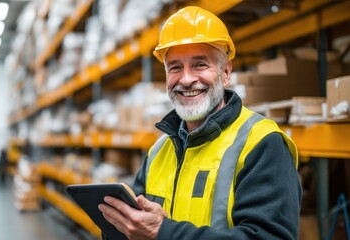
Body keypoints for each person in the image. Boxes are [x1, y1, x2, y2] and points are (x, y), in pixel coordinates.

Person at [98, 6, 302, 240]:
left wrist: (162, 232)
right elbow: (136, 228)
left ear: (225, 73)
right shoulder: (159, 152)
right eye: (175, 67)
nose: (186, 79)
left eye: (200, 65)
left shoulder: (261, 143)